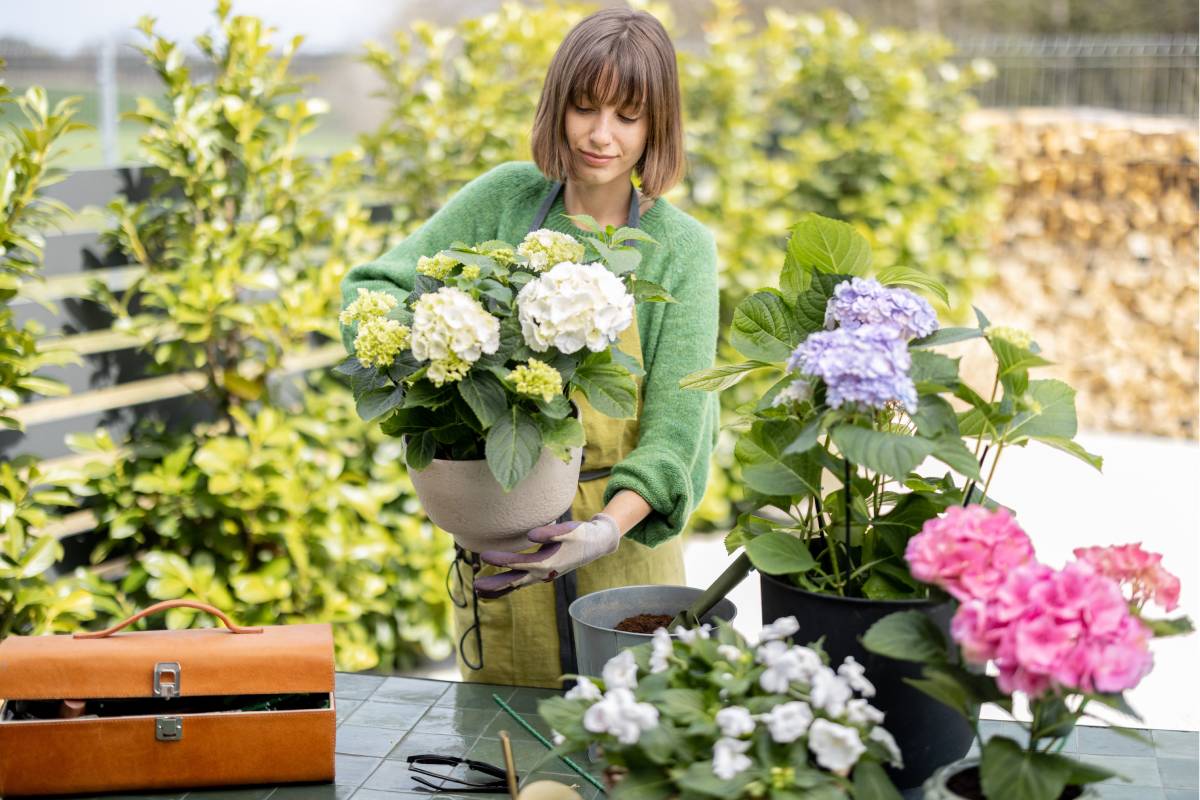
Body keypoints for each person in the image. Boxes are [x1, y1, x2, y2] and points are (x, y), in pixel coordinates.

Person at [339, 7, 719, 689]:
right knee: (501, 765)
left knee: (630, 766)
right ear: (558, 107)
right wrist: (429, 350)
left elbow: (677, 434)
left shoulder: (680, 248)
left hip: (625, 569)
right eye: (584, 107)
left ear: (657, 124)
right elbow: (373, 287)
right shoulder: (508, 201)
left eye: (628, 116)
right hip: (502, 561)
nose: (601, 135)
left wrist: (598, 532)